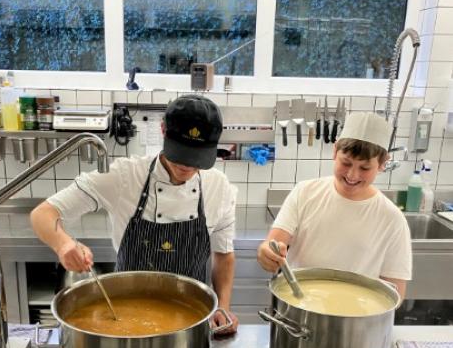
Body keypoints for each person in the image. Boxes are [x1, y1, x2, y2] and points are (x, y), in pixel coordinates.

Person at [31, 94, 238, 334]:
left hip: (192, 325)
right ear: (163, 130)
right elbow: (43, 214)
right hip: (126, 324)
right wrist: (63, 244)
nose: (187, 166)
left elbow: (224, 255)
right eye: (181, 154)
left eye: (197, 158)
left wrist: (222, 308)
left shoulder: (219, 187)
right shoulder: (124, 177)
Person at [257, 111, 412, 301]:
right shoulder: (305, 193)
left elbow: (396, 292)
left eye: (364, 168)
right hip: (299, 308)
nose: (352, 175)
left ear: (382, 163)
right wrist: (266, 254)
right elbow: (273, 244)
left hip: (355, 314)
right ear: (335, 150)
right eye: (346, 163)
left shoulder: (391, 218)